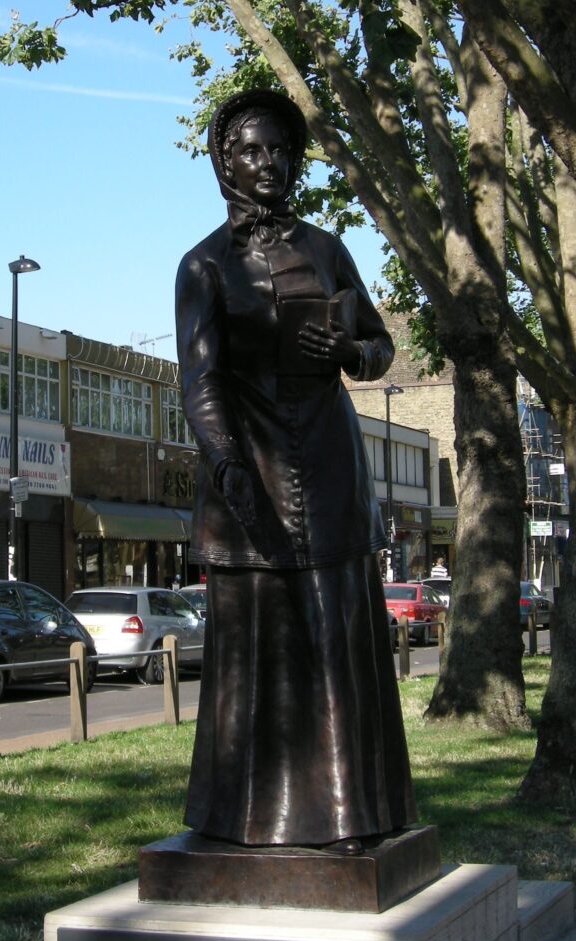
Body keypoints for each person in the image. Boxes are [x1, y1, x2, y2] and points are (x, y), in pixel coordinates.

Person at [176, 89, 416, 854]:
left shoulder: (325, 248)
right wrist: (224, 462)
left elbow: (377, 346)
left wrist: (349, 352)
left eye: (280, 149)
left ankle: (351, 817)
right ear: (224, 162)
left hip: (329, 459)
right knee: (255, 649)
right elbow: (200, 379)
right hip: (251, 469)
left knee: (333, 636)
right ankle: (237, 819)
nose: (268, 163)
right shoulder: (203, 265)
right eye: (251, 149)